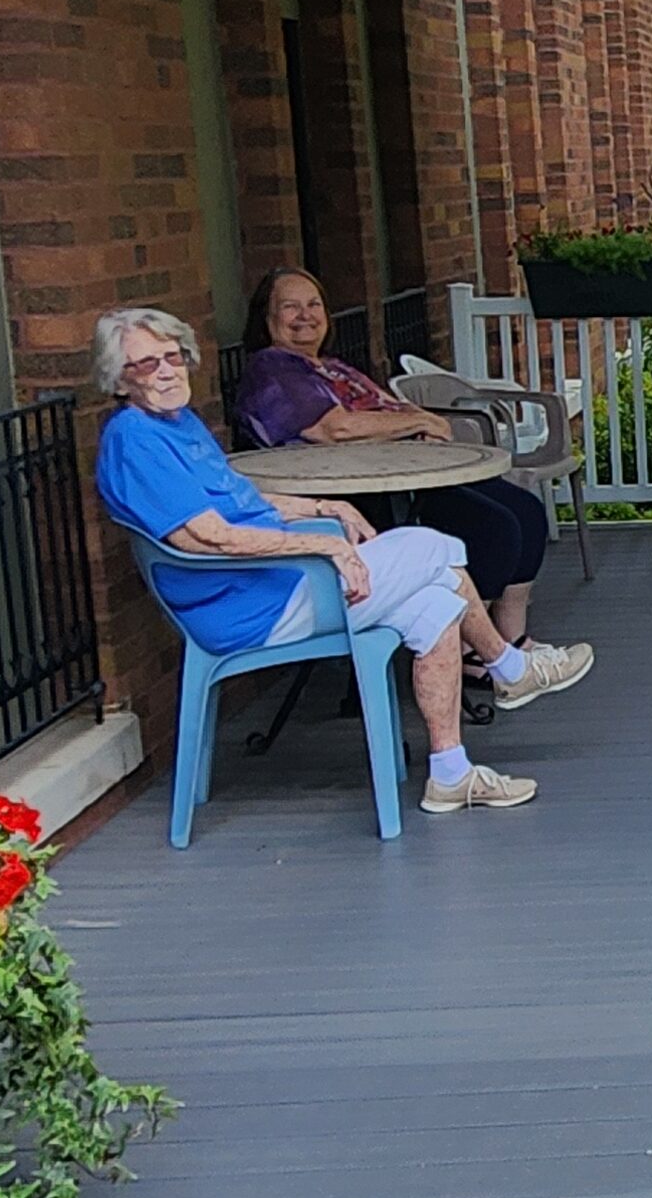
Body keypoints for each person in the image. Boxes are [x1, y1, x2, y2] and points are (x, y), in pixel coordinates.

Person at [91, 307, 584, 818]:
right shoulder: (136, 441)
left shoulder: (177, 423)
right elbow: (211, 539)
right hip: (250, 607)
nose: (167, 371)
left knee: (436, 604)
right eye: (147, 365)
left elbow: (243, 501)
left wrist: (324, 508)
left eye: (173, 357)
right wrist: (325, 544)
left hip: (274, 585)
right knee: (434, 548)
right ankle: (508, 667)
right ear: (120, 380)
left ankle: (450, 775)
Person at [230, 266, 558, 656]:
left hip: (406, 473)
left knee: (525, 511)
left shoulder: (331, 367)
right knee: (494, 529)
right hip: (364, 496)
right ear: (266, 320)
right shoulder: (272, 369)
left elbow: (382, 413)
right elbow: (335, 429)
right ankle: (474, 655)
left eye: (314, 304)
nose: (305, 316)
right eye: (290, 307)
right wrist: (418, 420)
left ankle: (512, 639)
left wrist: (414, 427)